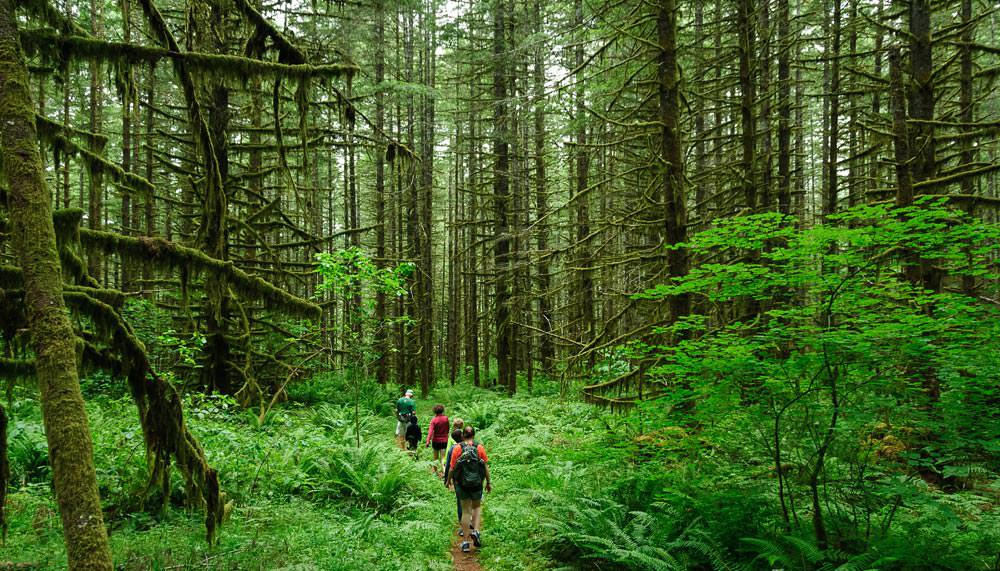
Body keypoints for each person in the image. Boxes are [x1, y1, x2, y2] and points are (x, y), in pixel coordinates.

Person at [445, 426, 491, 552]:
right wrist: (488, 482)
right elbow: (485, 467)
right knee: (476, 507)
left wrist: (449, 481)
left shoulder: (457, 448)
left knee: (466, 511)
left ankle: (465, 542)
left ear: (463, 435)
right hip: (477, 483)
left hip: (462, 484)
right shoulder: (479, 447)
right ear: (474, 435)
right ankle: (476, 531)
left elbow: (452, 468)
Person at [442, 418, 465, 535]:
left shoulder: (453, 448)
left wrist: (447, 479)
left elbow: (450, 467)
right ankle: (471, 521)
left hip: (458, 479)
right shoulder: (474, 446)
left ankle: (463, 526)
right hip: (472, 478)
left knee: (460, 501)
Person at [425, 404, 451, 475]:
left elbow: (430, 432)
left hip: (436, 441)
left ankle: (435, 471)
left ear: (435, 411)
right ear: (442, 410)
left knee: (435, 458)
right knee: (443, 458)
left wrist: (427, 441)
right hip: (444, 441)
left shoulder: (434, 420)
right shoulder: (446, 418)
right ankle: (445, 472)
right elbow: (448, 429)